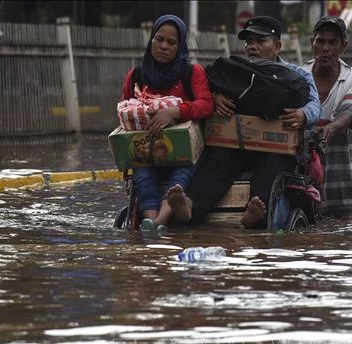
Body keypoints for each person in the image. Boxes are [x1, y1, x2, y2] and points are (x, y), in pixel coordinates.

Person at [168, 16, 321, 229]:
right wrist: (215, 97)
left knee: (272, 164)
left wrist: (303, 115)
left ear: (277, 46)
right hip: (237, 144)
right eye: (249, 42)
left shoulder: (297, 75)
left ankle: (255, 212)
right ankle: (189, 207)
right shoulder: (235, 71)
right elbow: (205, 91)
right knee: (218, 161)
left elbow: (315, 105)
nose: (253, 47)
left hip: (275, 147)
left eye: (260, 41)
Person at [119, 15, 214, 232]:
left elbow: (206, 105)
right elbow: (125, 110)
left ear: (179, 46)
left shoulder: (192, 73)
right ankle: (150, 221)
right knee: (142, 172)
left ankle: (161, 220)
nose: (163, 46)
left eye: (171, 43)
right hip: (146, 150)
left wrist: (174, 112)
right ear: (151, 40)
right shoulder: (136, 76)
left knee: (181, 171)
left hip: (186, 152)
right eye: (158, 40)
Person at [301, 16, 352, 217]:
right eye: (320, 41)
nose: (325, 48)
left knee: (343, 228)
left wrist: (332, 127)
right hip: (305, 172)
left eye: (332, 42)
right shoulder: (300, 75)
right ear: (312, 43)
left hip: (342, 174)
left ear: (343, 47)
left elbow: (350, 112)